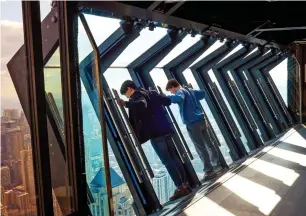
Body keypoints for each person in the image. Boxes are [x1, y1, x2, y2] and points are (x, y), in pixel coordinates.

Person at [117, 80, 190, 201]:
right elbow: (166, 101)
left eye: (126, 94)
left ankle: (180, 187)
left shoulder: (137, 96)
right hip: (166, 129)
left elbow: (141, 104)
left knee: (167, 161)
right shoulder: (151, 92)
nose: (128, 97)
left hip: (156, 134)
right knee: (174, 157)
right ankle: (185, 184)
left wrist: (126, 104)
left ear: (129, 89)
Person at [166, 79, 223, 181]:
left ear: (174, 87)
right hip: (202, 120)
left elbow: (178, 98)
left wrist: (167, 98)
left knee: (200, 147)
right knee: (209, 143)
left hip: (192, 123)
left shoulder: (180, 92)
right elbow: (202, 93)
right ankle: (217, 166)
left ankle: (209, 171)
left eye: (171, 90)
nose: (171, 92)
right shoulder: (189, 90)